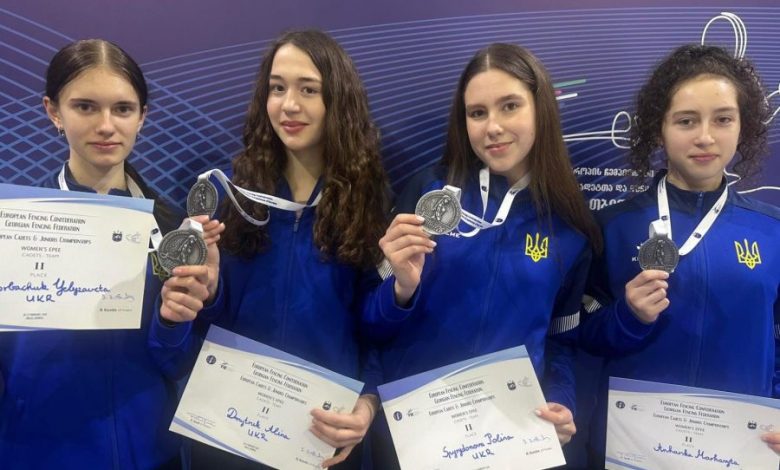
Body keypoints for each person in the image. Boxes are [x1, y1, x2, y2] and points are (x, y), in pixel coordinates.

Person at [148, 30, 390, 469]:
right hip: (227, 439)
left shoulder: (369, 207)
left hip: (319, 442)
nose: (288, 105)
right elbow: (186, 345)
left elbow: (379, 331)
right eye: (277, 88)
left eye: (308, 90)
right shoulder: (231, 200)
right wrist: (208, 295)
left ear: (338, 100)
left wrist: (369, 402)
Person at [364, 43, 602, 468]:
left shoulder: (569, 227)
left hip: (508, 439)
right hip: (414, 438)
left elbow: (561, 341)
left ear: (541, 110)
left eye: (510, 106)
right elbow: (368, 325)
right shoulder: (427, 193)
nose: (493, 127)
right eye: (477, 113)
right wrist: (400, 291)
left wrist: (561, 399)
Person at [0, 39, 209, 468]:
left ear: (142, 117)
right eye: (85, 107)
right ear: (53, 111)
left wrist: (173, 322)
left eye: (123, 109)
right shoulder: (13, 227)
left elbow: (179, 365)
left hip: (151, 455)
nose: (106, 126)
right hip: (40, 454)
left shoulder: (174, 231)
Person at [579, 44, 780, 467]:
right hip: (633, 452)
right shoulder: (612, 226)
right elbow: (578, 336)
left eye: (723, 119)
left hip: (738, 451)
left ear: (743, 125)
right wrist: (627, 317)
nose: (705, 137)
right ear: (659, 129)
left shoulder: (772, 230)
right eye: (686, 121)